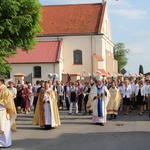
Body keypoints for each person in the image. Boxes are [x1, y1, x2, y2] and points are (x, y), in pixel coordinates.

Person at [0, 78, 17, 148]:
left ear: (1, 82)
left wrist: (0, 102)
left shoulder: (6, 90)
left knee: (4, 127)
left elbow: (8, 101)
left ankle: (5, 143)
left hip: (4, 111)